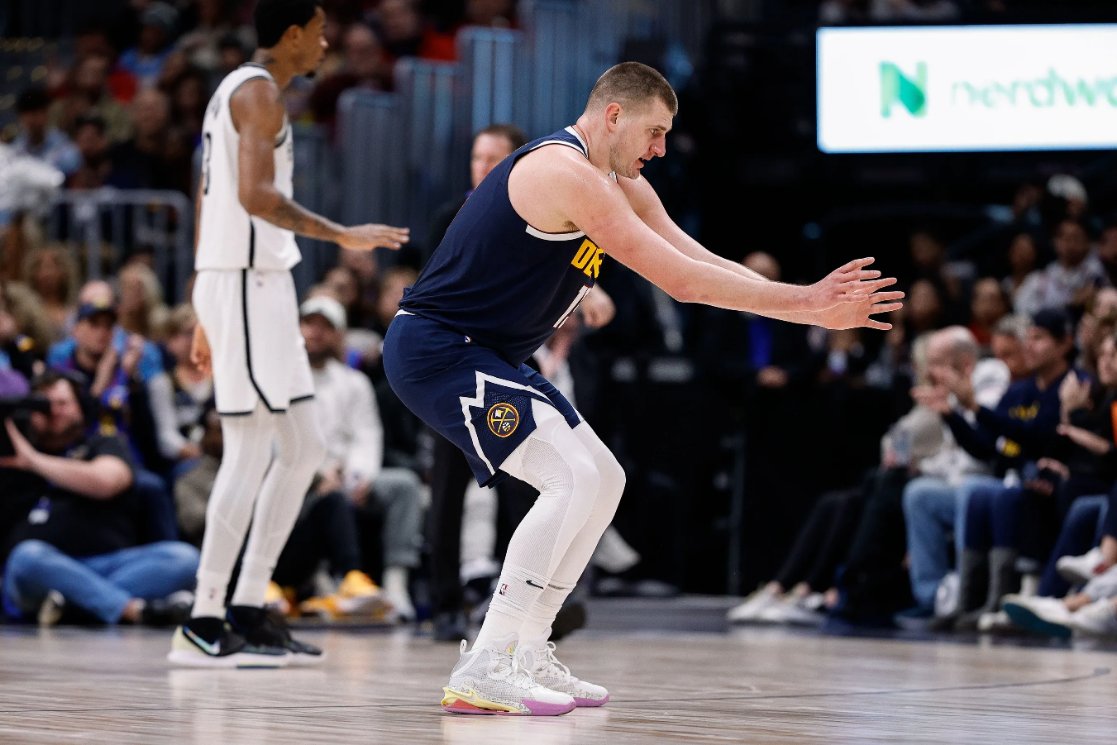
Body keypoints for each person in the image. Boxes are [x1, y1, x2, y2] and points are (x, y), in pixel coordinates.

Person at [383, 62, 902, 716]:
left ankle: (528, 647)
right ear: (612, 117)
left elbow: (700, 262)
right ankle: (487, 658)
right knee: (570, 477)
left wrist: (807, 307)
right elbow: (680, 285)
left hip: (483, 354)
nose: (660, 148)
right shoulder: (566, 172)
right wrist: (805, 302)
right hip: (437, 350)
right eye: (653, 132)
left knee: (603, 478)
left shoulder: (620, 183)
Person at [169, 0, 409, 669]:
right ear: (294, 33)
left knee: (303, 445)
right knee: (248, 448)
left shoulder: (247, 93)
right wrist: (343, 233)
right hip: (245, 281)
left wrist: (196, 300)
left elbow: (206, 196)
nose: (327, 43)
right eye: (322, 31)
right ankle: (203, 617)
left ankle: (248, 604)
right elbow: (252, 197)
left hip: (256, 284)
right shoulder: (257, 94)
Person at [1, 371, 199, 627]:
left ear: (82, 407)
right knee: (26, 557)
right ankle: (130, 609)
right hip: (45, 570)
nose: (54, 412)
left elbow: (107, 481)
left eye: (63, 403)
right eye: (44, 406)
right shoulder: (12, 457)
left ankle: (73, 607)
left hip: (111, 565)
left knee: (184, 558)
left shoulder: (103, 443)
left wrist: (34, 462)